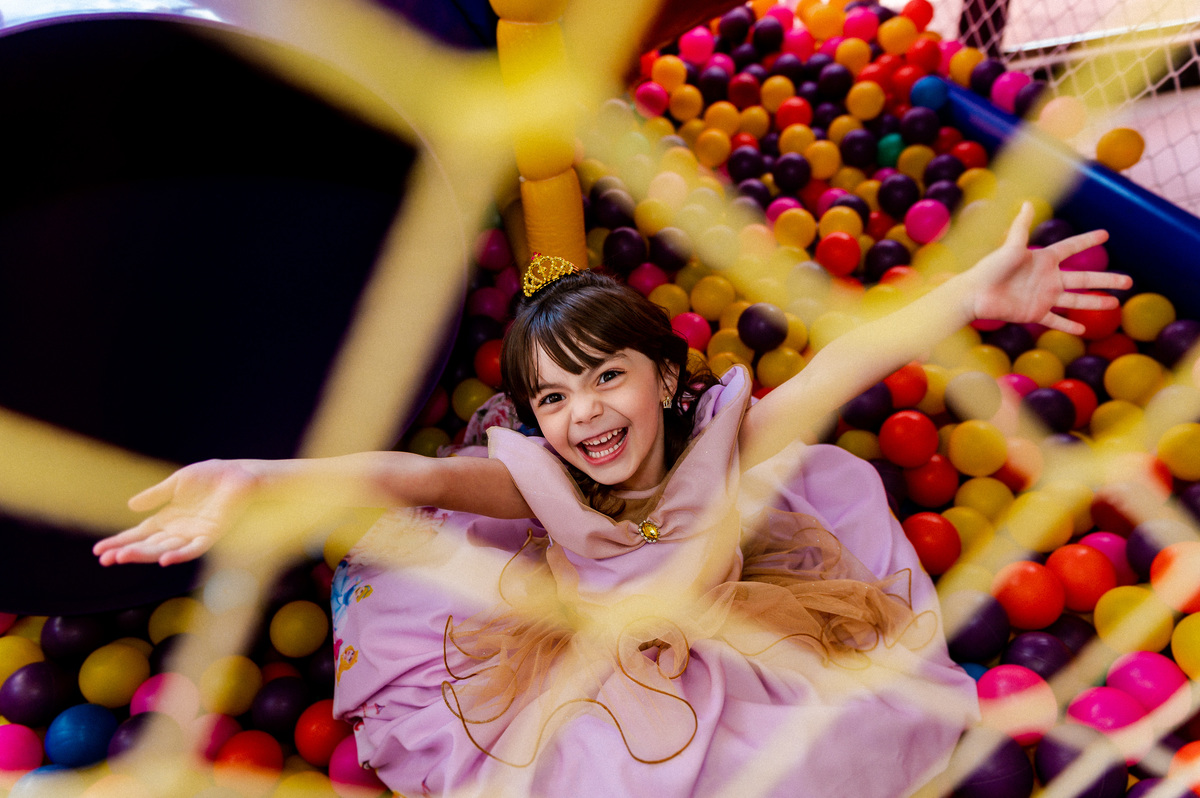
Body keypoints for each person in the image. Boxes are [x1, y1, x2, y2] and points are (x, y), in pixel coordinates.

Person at [95, 203, 1128, 797]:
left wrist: (970, 295)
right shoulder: (537, 479)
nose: (583, 413)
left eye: (605, 378)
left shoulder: (723, 444)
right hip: (581, 649)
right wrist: (264, 478)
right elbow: (410, 479)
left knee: (826, 745)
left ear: (666, 379)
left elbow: (845, 362)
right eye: (552, 397)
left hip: (730, 629)